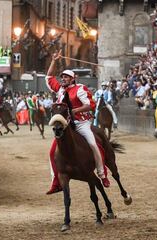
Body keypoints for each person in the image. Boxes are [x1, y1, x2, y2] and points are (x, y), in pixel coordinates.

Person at [46, 49, 110, 194]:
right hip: (65, 124)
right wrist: (54, 61)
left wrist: (74, 111)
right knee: (51, 153)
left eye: (67, 77)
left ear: (73, 79)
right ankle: (56, 182)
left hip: (81, 123)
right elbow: (49, 77)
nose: (63, 79)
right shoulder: (60, 90)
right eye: (62, 77)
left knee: (93, 144)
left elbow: (90, 105)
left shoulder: (80, 89)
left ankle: (102, 175)